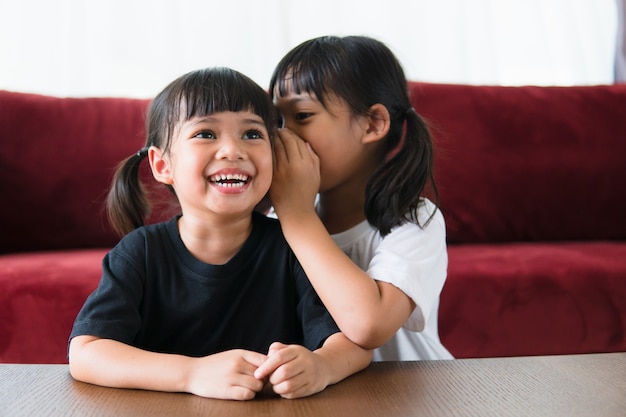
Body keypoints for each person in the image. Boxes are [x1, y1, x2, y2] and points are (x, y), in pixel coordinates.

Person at [68, 67, 372, 401]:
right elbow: (86, 353)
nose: (233, 150)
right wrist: (192, 374)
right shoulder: (140, 252)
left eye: (253, 134)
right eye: (206, 134)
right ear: (162, 165)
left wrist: (321, 366)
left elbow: (356, 345)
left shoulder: (294, 248)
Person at [268, 36, 454, 361]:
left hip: (414, 396)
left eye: (302, 116)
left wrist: (296, 215)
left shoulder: (413, 221)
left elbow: (369, 325)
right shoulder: (276, 219)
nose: (282, 136)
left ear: (372, 124)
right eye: (276, 121)